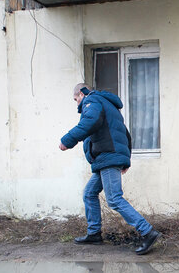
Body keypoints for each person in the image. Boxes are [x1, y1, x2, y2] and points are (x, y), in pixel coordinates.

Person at [59, 83, 160, 255]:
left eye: (76, 100)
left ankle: (147, 232)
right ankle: (94, 233)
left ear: (81, 94)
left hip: (107, 156)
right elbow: (125, 133)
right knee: (89, 193)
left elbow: (90, 122)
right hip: (106, 157)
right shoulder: (109, 106)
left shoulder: (92, 101)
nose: (77, 104)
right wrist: (125, 160)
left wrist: (67, 140)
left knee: (113, 198)